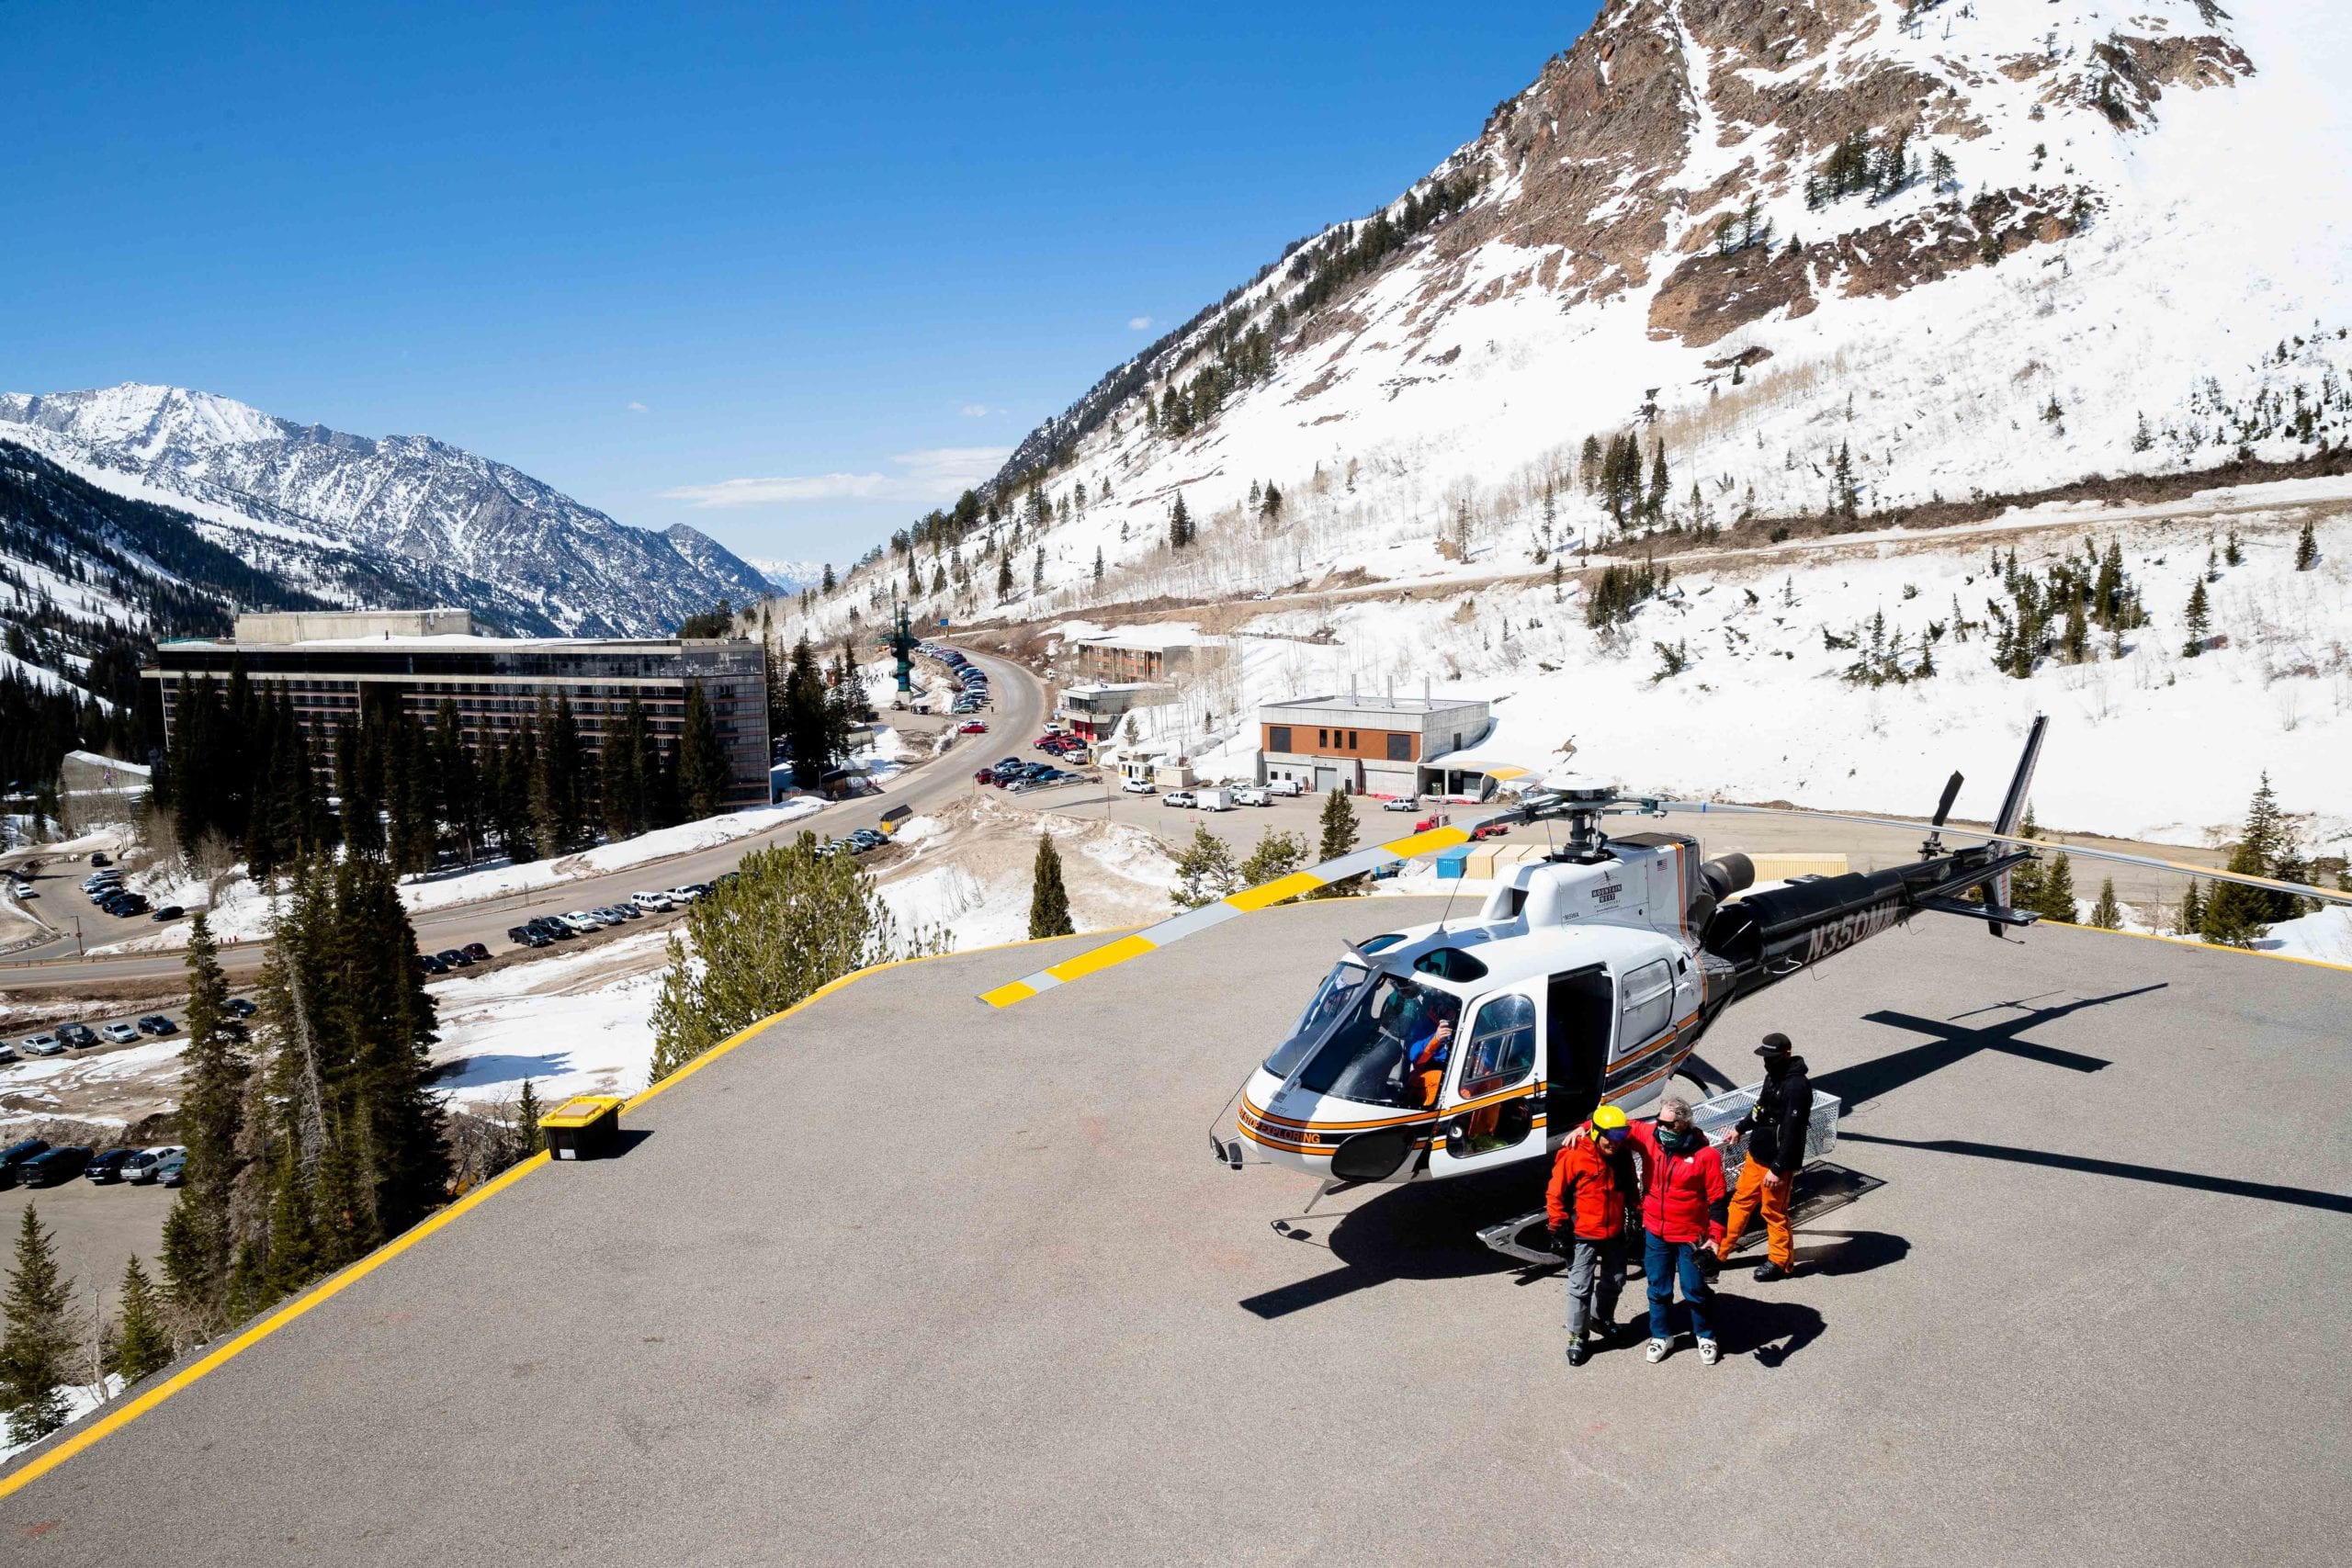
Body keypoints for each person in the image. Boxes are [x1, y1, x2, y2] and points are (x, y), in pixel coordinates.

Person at [1625, 1095, 1728, 1365]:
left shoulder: (1707, 1156)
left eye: (1666, 1124)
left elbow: (1718, 1200)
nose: (1659, 1127)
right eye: (1658, 1121)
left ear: (1681, 1125)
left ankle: (1705, 1335)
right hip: (1655, 1232)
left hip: (1690, 1235)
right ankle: (1661, 1336)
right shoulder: (1650, 1136)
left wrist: (1715, 1238)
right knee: (1658, 1288)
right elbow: (1617, 1125)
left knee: (1694, 1289)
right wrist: (1585, 1127)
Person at [1545, 1103, 1642, 1365]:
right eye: (1610, 1137)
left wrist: (1636, 1210)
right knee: (1580, 1287)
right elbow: (1555, 1193)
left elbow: (1631, 1184)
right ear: (1597, 1133)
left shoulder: (1621, 1153)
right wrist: (1557, 1229)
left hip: (1614, 1234)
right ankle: (1578, 1335)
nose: (1615, 1142)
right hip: (1582, 1235)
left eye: (1620, 1136)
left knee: (1617, 1280)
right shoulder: (1574, 1153)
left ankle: (1601, 1319)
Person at [1725, 1032, 1813, 1281]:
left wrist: (1778, 1168)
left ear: (1786, 1054)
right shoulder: (1772, 1076)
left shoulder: (1797, 1087)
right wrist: (1740, 1128)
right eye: (1765, 1058)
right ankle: (1717, 1253)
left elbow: (1793, 1132)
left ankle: (1780, 1262)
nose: (1767, 1062)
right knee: (1740, 1202)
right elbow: (1759, 1108)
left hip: (1777, 1164)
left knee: (1773, 1212)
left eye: (1771, 1058)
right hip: (1757, 1154)